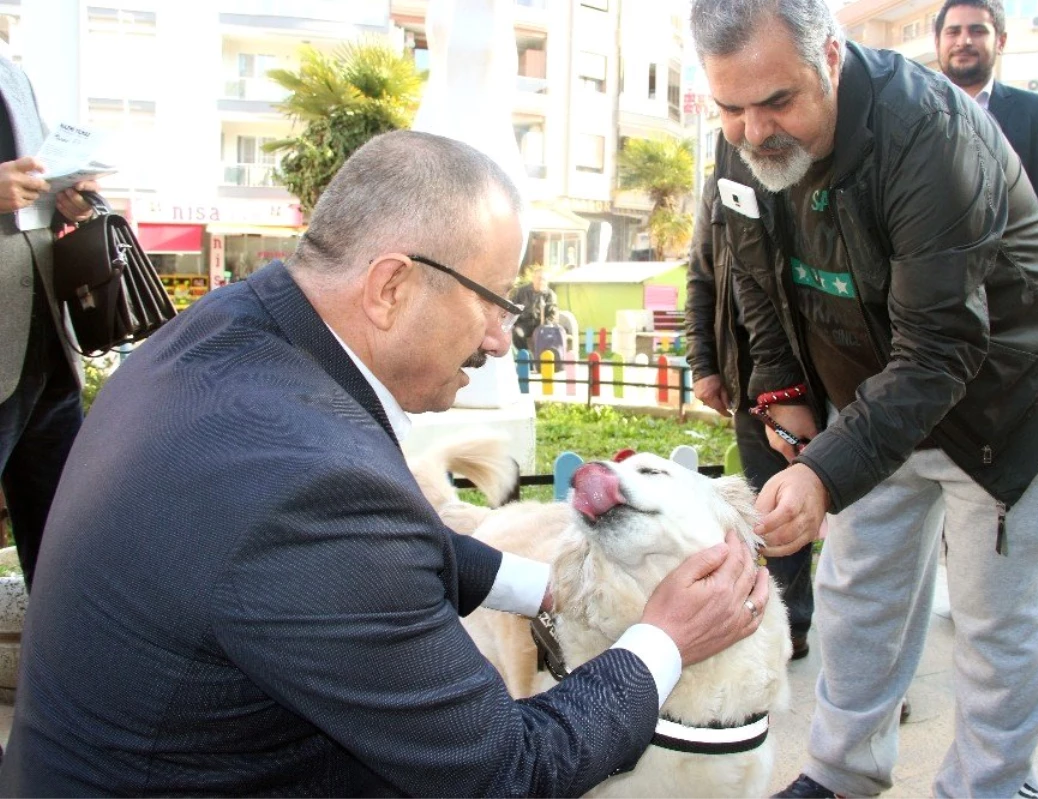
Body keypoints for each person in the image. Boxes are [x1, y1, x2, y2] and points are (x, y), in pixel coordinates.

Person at [0, 131, 771, 795]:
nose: (503, 337)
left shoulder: (229, 334)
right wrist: (663, 639)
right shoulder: (312, 483)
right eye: (495, 299)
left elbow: (378, 547)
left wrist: (547, 584)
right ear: (392, 286)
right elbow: (507, 769)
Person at [689, 1, 1038, 797]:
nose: (754, 132)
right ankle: (841, 772)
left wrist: (827, 472)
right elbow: (760, 284)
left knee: (994, 620)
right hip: (873, 393)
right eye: (729, 107)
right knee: (858, 597)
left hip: (1002, 397)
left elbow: (941, 349)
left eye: (777, 102)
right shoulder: (741, 148)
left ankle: (995, 784)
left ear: (831, 57)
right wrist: (786, 390)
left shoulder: (930, 134)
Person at [686, 172, 815, 661]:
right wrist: (704, 365)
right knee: (774, 516)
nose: (750, 125)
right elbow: (701, 276)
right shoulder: (722, 175)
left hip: (827, 378)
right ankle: (786, 626)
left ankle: (866, 666)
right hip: (749, 383)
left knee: (857, 532)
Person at [0, 55, 96, 591]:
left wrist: (64, 206)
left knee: (63, 555)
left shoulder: (14, 75)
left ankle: (58, 670)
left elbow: (24, 208)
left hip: (44, 351)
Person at [934, 0, 1038, 246]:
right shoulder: (909, 112)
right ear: (937, 43)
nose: (964, 41)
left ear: (1001, 41)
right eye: (953, 31)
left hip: (1007, 277)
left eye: (977, 31)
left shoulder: (1037, 113)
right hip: (925, 274)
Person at [511, 265, 558, 353]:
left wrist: (544, 326)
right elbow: (513, 308)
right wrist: (515, 323)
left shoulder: (550, 295)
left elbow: (553, 314)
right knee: (517, 333)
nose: (541, 281)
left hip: (542, 324)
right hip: (524, 324)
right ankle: (525, 356)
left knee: (544, 333)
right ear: (533, 279)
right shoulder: (521, 292)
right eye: (539, 278)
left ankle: (543, 360)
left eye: (543, 279)